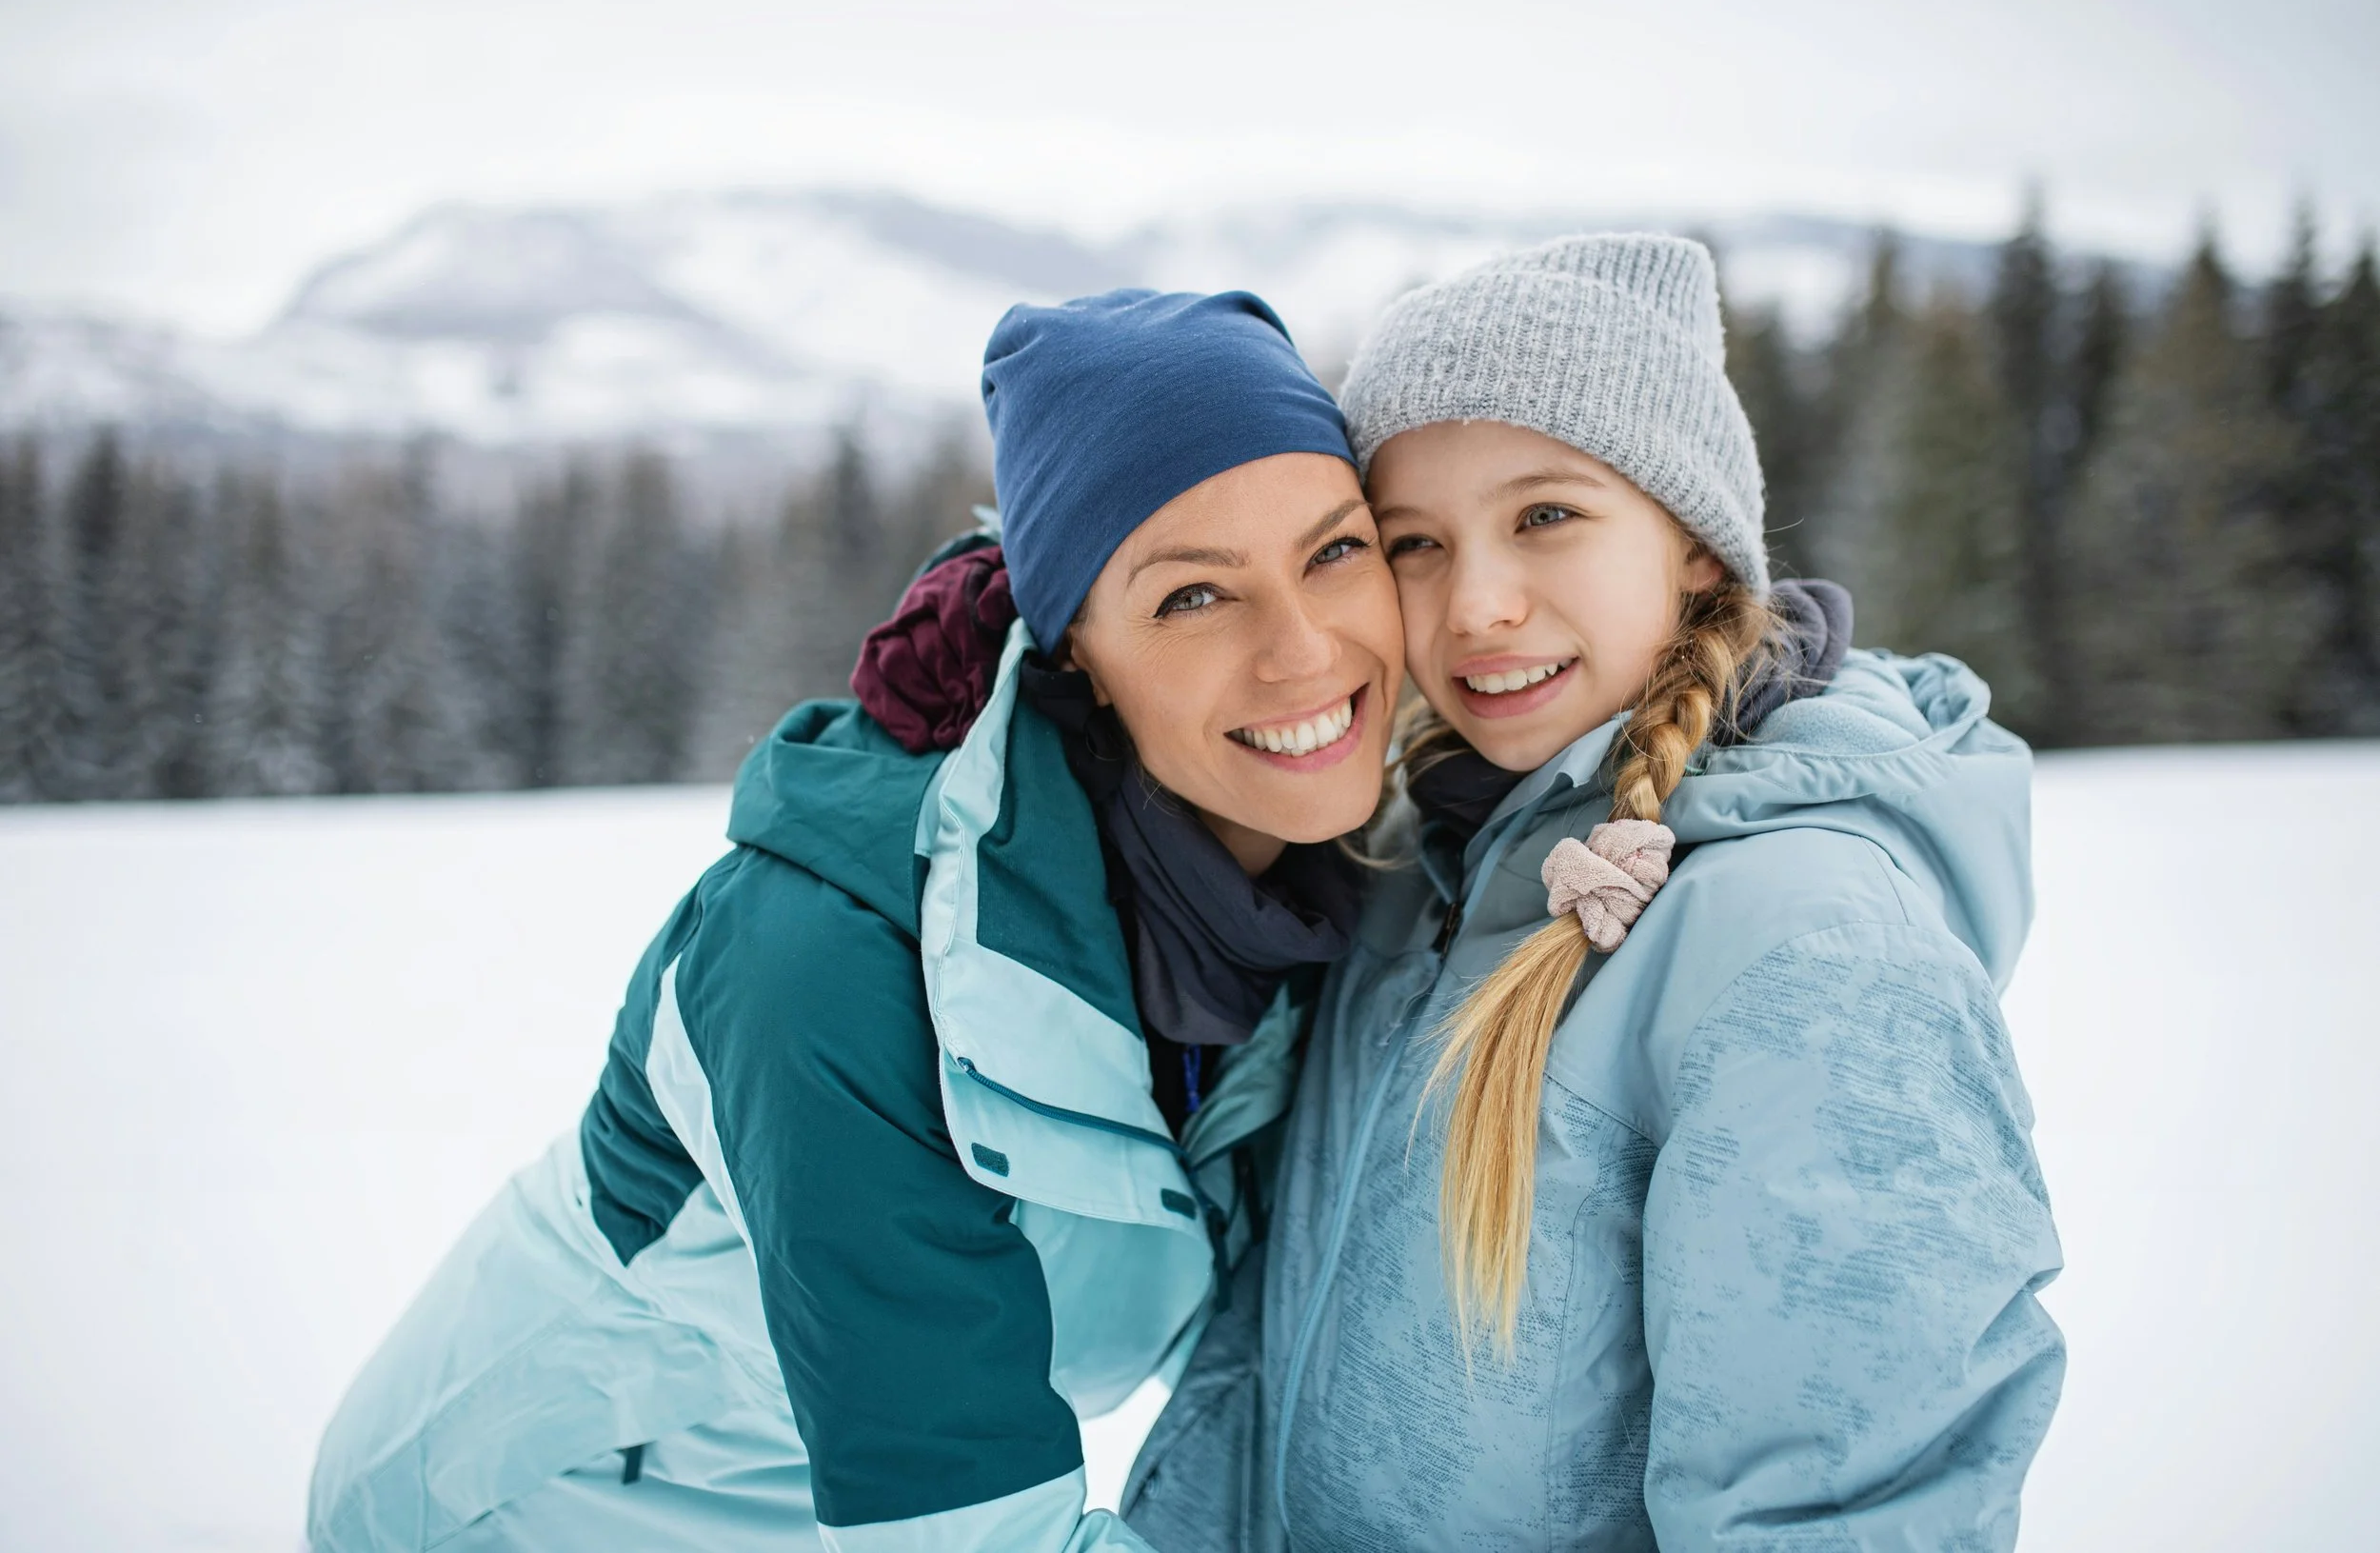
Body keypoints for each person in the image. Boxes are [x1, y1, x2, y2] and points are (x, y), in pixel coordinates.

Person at [307, 288, 1406, 1552]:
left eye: (1336, 550)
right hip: (544, 1508)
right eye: (1193, 598)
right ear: (1072, 657)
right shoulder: (833, 969)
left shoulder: (1305, 885)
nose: (1307, 648)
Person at [1124, 234, 2065, 1549]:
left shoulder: (1807, 946)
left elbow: (1843, 1510)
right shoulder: (1417, 875)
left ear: (1692, 545)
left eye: (1546, 515)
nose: (1478, 605)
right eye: (1414, 543)